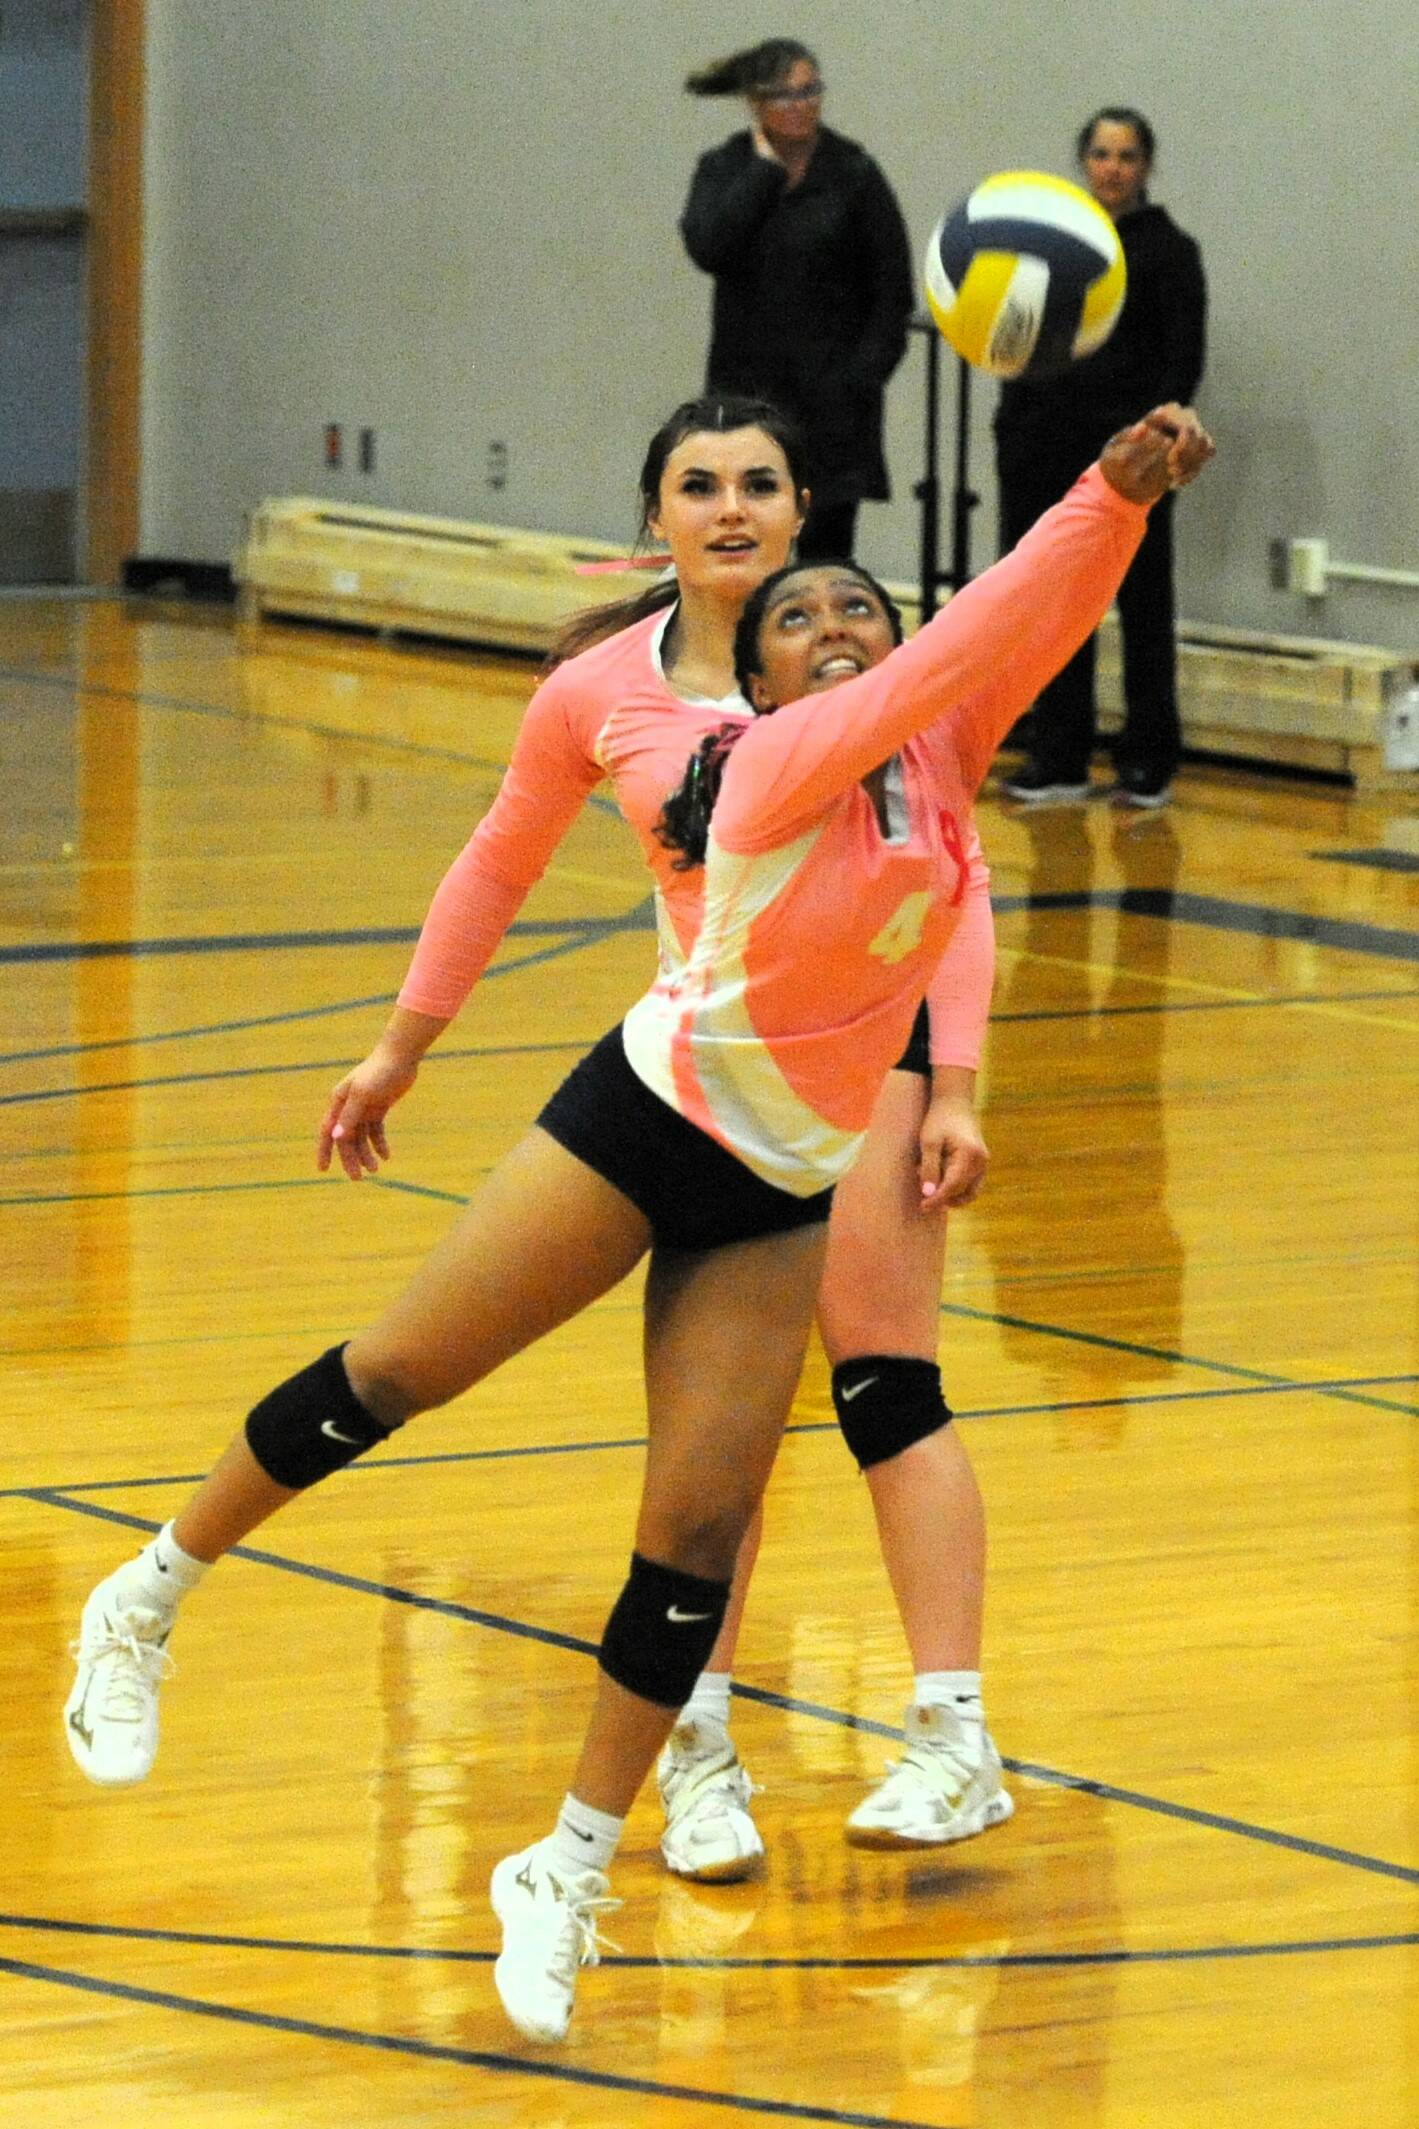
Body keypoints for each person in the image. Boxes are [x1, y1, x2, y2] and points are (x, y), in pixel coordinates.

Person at [64, 401, 1213, 2046]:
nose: (828, 626)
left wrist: (1108, 524)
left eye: (849, 603)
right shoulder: (755, 765)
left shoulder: (932, 760)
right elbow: (972, 630)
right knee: (392, 1371)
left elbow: (1006, 646)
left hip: (782, 1181)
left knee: (689, 1534)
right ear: (748, 670)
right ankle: (153, 1587)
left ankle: (567, 1860)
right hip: (644, 1122)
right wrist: (1097, 495)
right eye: (795, 615)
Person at [996, 109, 1207, 809]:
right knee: (1050, 605)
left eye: (1126, 155)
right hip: (1039, 444)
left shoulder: (1169, 251)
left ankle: (1147, 758)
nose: (1112, 167)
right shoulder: (1052, 245)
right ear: (1081, 160)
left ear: (1145, 166)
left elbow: (1180, 361)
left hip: (1130, 453)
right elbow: (1016, 335)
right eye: (1100, 153)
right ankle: (1057, 755)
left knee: (1143, 604)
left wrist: (1153, 439)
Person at [680, 38, 913, 561]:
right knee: (742, 556)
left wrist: (859, 380)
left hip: (833, 410)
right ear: (755, 103)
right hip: (745, 402)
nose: (802, 105)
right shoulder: (724, 168)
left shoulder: (854, 173)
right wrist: (764, 172)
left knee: (824, 564)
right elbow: (709, 247)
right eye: (785, 95)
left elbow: (892, 292)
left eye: (810, 90)